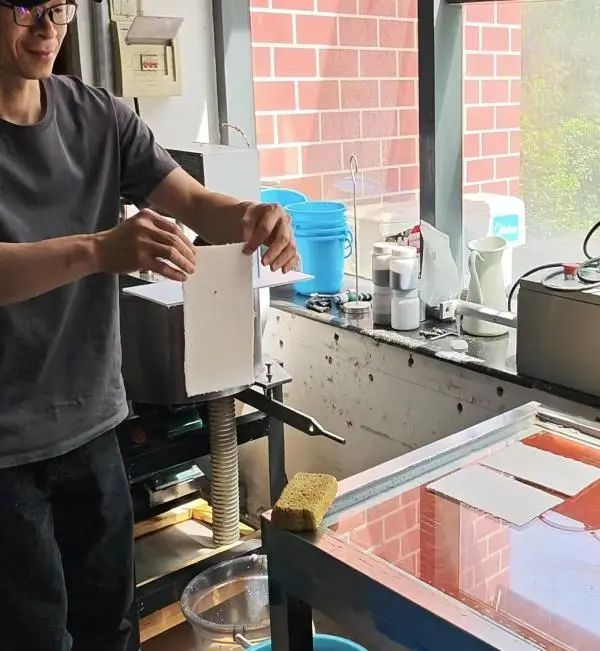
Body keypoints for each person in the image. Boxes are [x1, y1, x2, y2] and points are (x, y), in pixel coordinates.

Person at [0, 1, 297, 649]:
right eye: (25, 8)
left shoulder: (100, 118)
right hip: (7, 449)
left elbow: (191, 200)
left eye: (59, 8)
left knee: (111, 626)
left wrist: (251, 217)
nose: (47, 28)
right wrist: (100, 249)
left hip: (92, 426)